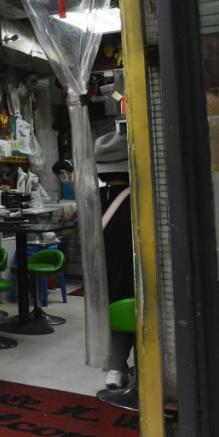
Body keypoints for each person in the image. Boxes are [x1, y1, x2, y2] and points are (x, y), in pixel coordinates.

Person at [95, 130, 136, 389]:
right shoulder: (141, 198)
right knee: (139, 318)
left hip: (105, 274)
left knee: (114, 318)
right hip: (135, 272)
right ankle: (143, 370)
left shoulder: (94, 200)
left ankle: (115, 369)